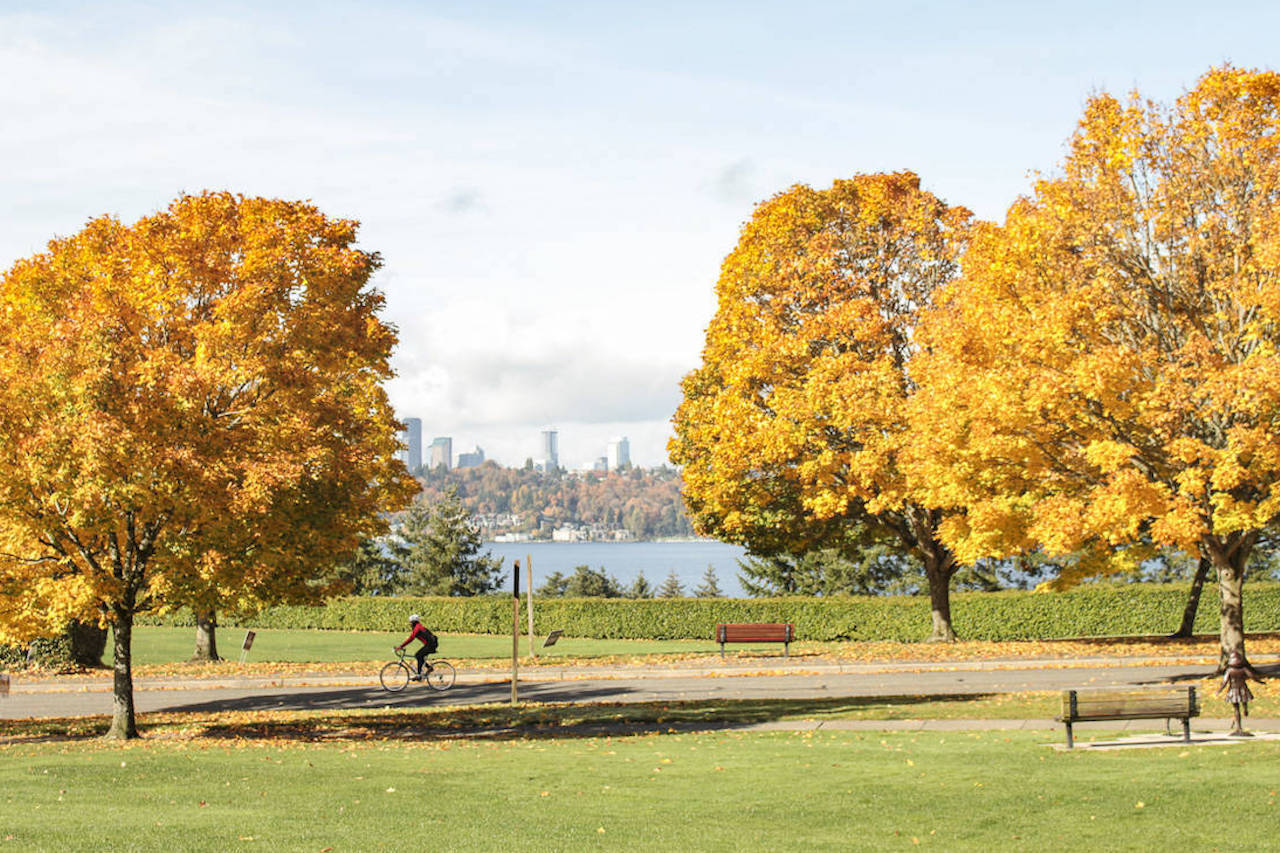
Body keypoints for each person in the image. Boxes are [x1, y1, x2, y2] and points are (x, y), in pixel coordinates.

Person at [1218, 651, 1265, 737]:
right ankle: (1245, 709)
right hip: (1243, 689)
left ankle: (1238, 726)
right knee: (1244, 700)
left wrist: (1219, 690)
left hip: (1233, 690)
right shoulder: (1244, 669)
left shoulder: (1229, 671)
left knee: (1236, 709)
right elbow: (1252, 677)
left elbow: (1224, 682)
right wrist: (1260, 682)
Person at [396, 614, 438, 681]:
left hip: (431, 645)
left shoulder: (417, 628)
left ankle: (419, 675)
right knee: (419, 656)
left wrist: (401, 646)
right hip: (430, 644)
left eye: (411, 622)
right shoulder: (418, 627)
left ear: (414, 622)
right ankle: (429, 668)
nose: (410, 624)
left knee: (418, 655)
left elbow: (411, 638)